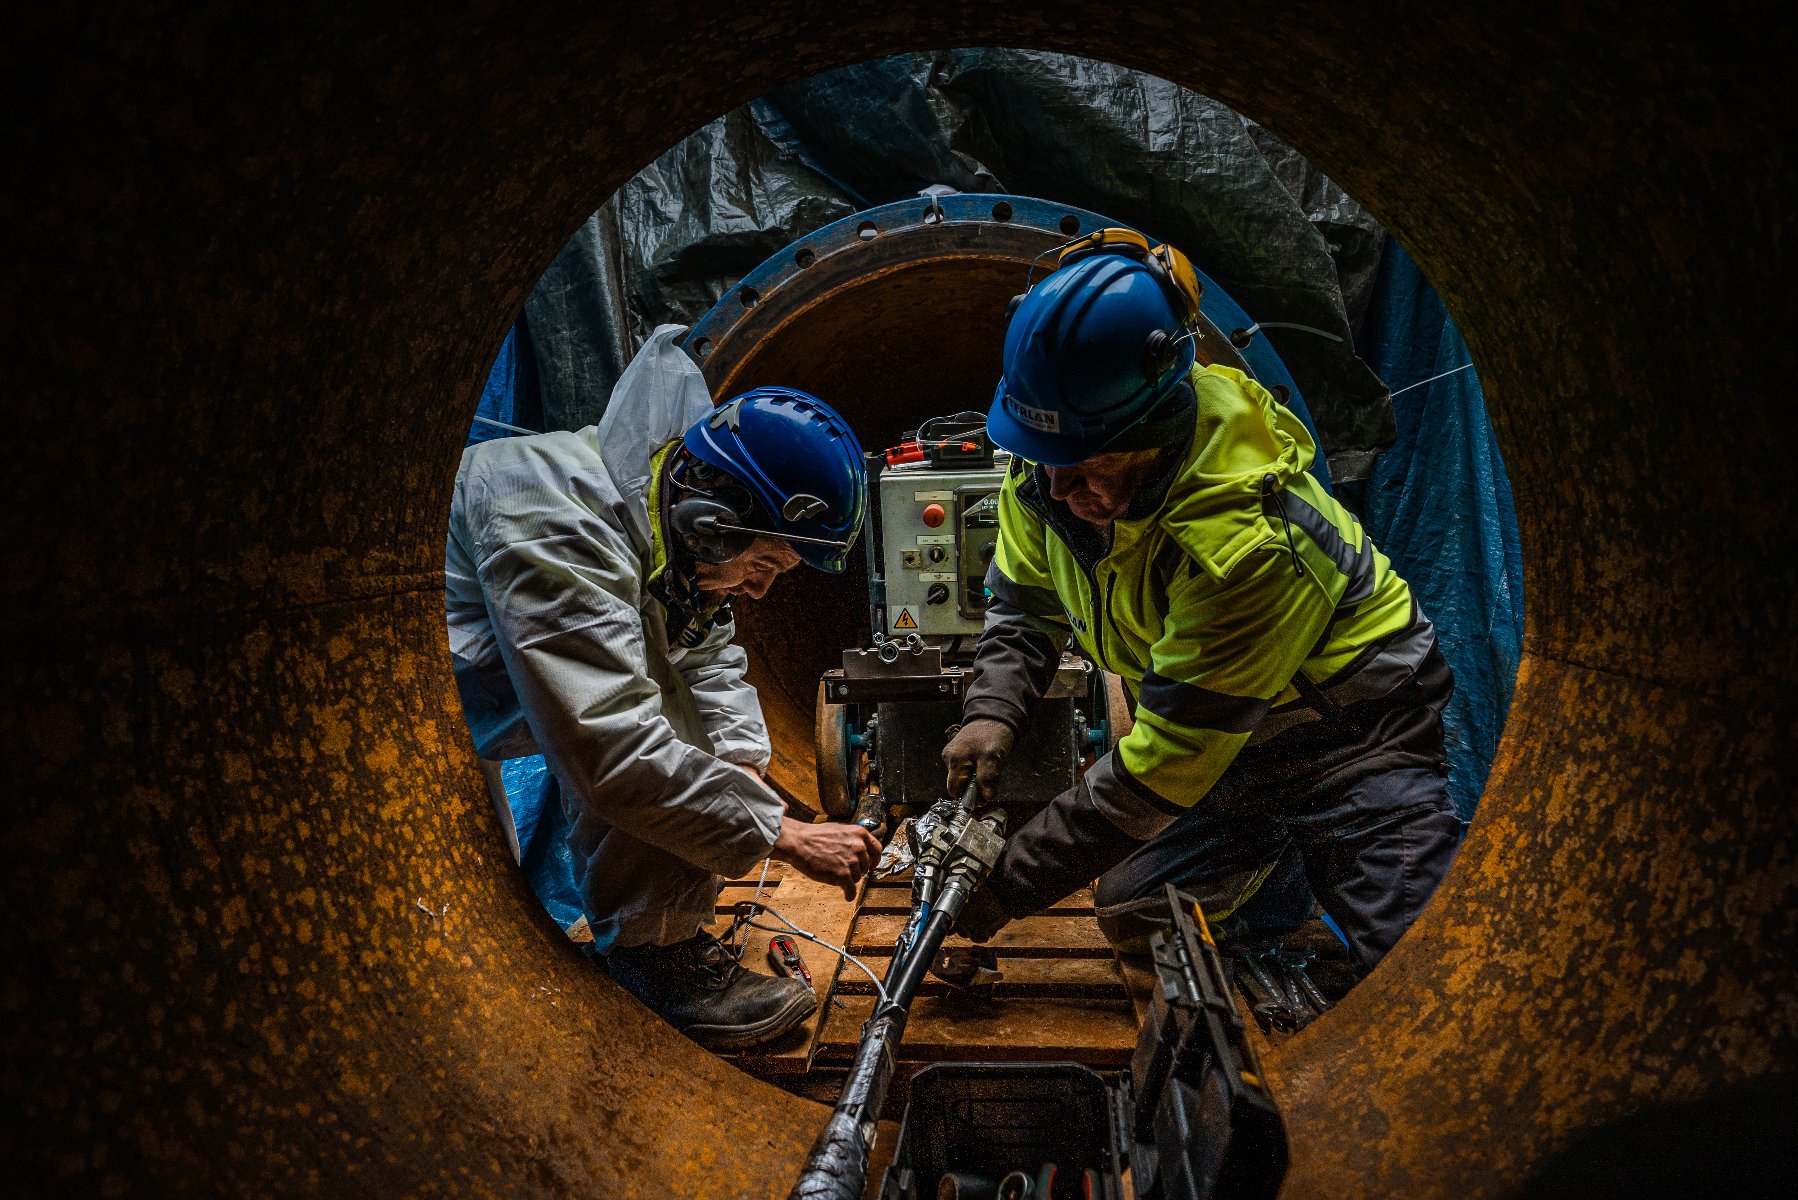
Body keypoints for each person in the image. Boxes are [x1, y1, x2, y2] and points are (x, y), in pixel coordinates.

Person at [944, 230, 1461, 984]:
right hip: (1233, 754)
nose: (1055, 490)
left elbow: (1161, 770)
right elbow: (1025, 606)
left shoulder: (1245, 545)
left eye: (1089, 465)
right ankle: (1276, 855)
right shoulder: (1049, 464)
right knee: (1135, 910)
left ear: (1155, 429)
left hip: (1353, 739)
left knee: (1421, 974)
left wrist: (1004, 886)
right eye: (1045, 461)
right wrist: (990, 710)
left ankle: (1332, 848)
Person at [446, 326, 881, 1049]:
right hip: (411, 711)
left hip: (479, 702)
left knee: (694, 747)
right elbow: (611, 746)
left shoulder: (666, 529)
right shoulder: (555, 521)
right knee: (458, 932)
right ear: (711, 524)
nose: (762, 591)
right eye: (763, 563)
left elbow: (705, 650)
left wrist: (740, 767)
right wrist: (785, 833)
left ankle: (662, 943)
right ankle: (652, 961)